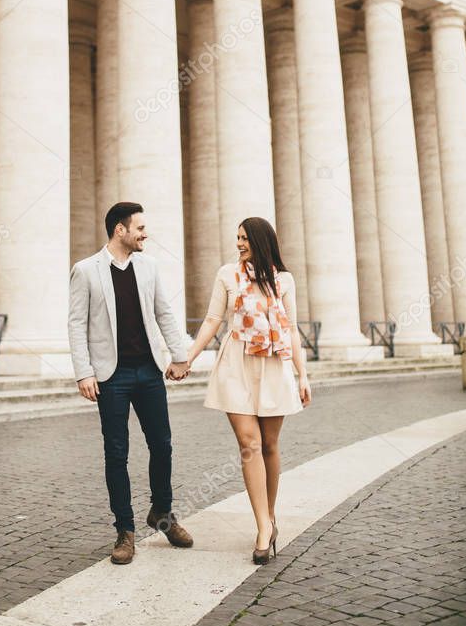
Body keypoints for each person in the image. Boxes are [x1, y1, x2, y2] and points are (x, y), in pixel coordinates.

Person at [68, 201, 194, 565]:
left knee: (163, 445)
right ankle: (125, 530)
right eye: (139, 228)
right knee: (117, 453)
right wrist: (84, 371)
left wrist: (179, 355)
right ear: (119, 230)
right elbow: (76, 323)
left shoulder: (149, 266)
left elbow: (163, 312)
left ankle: (163, 515)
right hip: (112, 376)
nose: (145, 234)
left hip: (149, 371)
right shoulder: (86, 270)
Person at [186, 217, 311, 565]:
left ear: (260, 240)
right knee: (249, 444)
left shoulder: (284, 280)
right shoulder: (227, 274)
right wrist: (188, 359)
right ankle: (261, 526)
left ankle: (270, 517)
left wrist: (303, 375)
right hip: (236, 364)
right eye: (237, 238)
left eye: (244, 238)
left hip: (273, 365)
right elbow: (212, 321)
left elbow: (293, 330)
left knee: (269, 445)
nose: (239, 243)